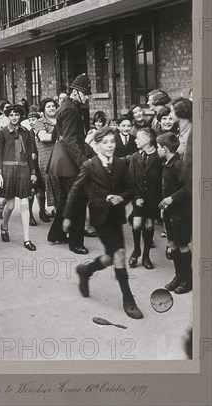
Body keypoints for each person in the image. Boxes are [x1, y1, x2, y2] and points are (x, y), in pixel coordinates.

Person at [63, 126, 143, 319]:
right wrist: (67, 216)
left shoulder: (120, 164)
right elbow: (75, 190)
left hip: (116, 216)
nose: (110, 146)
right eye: (105, 142)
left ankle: (86, 270)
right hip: (99, 217)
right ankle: (129, 301)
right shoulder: (89, 165)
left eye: (112, 142)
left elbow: (131, 189)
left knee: (110, 258)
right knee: (120, 254)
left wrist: (120, 198)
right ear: (97, 145)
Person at [47, 73, 94, 254]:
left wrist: (90, 152)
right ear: (75, 92)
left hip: (64, 161)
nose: (87, 96)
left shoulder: (68, 107)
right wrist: (84, 162)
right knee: (79, 201)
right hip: (69, 163)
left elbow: (67, 138)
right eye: (85, 93)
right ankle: (76, 243)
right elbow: (69, 141)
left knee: (67, 199)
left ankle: (56, 234)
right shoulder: (70, 110)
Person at [0, 105, 37, 251]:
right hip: (8, 169)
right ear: (8, 116)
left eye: (17, 115)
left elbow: (31, 153)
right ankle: (4, 226)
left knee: (25, 205)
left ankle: (27, 239)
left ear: (20, 116)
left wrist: (33, 172)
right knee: (11, 206)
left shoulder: (26, 133)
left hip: (23, 169)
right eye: (11, 115)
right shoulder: (3, 133)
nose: (14, 117)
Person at [157, 132, 192, 294]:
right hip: (169, 213)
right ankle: (178, 276)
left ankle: (187, 279)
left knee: (182, 244)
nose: (157, 150)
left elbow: (189, 187)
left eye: (158, 147)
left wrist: (172, 198)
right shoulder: (167, 163)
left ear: (165, 149)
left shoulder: (178, 165)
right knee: (173, 244)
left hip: (180, 213)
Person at [128, 128, 163, 269]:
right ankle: (136, 250)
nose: (135, 140)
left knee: (149, 226)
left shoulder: (159, 157)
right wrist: (136, 197)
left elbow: (162, 182)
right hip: (138, 198)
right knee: (136, 224)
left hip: (153, 200)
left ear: (147, 140)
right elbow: (131, 180)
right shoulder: (135, 157)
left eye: (138, 138)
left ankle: (146, 256)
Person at [34, 98, 60, 219]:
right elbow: (43, 137)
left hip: (61, 155)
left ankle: (59, 210)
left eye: (53, 106)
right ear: (43, 110)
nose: (51, 108)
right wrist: (60, 136)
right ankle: (58, 210)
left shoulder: (61, 120)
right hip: (47, 157)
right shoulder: (40, 122)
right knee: (52, 181)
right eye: (48, 106)